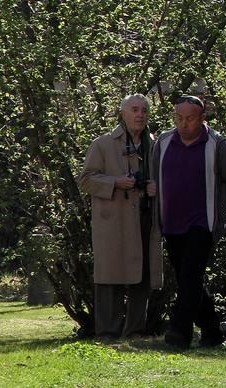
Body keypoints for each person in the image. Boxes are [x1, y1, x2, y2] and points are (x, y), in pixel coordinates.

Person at [149, 95, 226, 349]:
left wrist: (219, 207)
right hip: (171, 222)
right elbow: (154, 177)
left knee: (191, 274)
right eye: (178, 118)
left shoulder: (217, 144)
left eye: (190, 119)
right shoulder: (163, 142)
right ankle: (212, 332)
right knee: (188, 278)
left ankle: (179, 332)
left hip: (203, 222)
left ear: (202, 118)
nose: (183, 124)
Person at [79, 93, 162, 339]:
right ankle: (107, 332)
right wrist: (116, 182)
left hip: (145, 218)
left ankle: (135, 331)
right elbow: (86, 180)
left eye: (144, 110)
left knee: (143, 275)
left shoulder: (155, 145)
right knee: (109, 275)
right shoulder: (103, 144)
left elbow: (164, 180)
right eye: (135, 109)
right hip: (113, 221)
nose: (140, 114)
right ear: (123, 113)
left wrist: (154, 187)